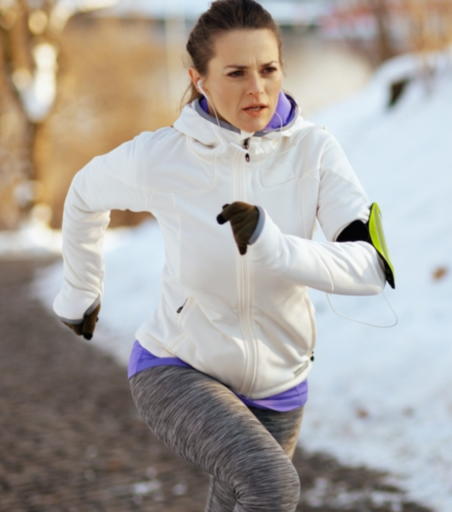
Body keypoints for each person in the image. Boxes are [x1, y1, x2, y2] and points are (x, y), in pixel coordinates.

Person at [51, 0, 394, 509]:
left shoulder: (316, 151)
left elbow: (372, 268)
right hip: (177, 367)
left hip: (281, 383)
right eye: (235, 73)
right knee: (271, 486)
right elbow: (83, 193)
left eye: (268, 69)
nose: (256, 89)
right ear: (200, 78)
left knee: (240, 498)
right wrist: (80, 291)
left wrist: (272, 245)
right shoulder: (162, 157)